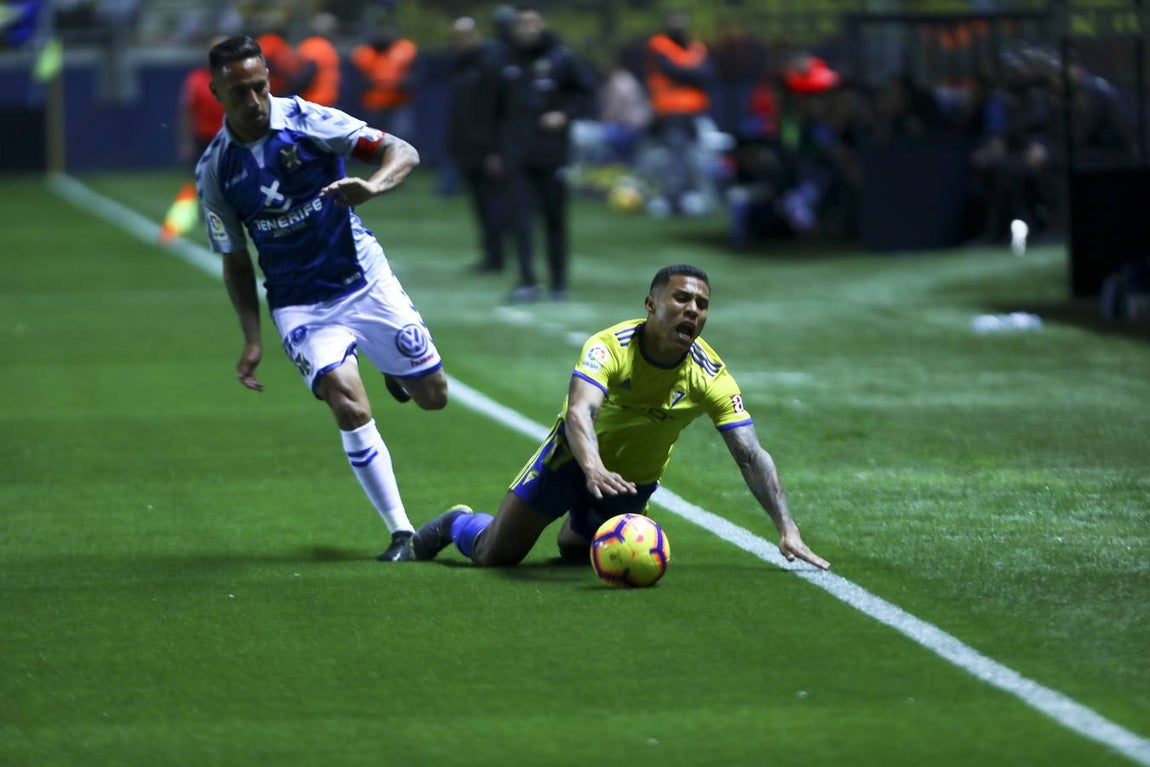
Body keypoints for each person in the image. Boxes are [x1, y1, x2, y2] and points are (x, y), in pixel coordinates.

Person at [195, 36, 449, 562]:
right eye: (239, 92)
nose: (255, 101)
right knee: (347, 403)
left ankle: (395, 371)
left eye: (261, 87)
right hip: (299, 304)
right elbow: (235, 259)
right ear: (218, 92)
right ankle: (402, 531)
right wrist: (251, 337)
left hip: (364, 279)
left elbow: (404, 151)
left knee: (433, 397)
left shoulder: (310, 120)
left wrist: (374, 187)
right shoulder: (216, 170)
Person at [411, 264, 830, 572]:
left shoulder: (711, 376)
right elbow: (579, 411)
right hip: (570, 461)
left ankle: (580, 522)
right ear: (651, 304)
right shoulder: (609, 347)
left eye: (701, 304)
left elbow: (751, 455)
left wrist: (787, 528)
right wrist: (591, 467)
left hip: (629, 483)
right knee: (495, 557)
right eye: (681, 298)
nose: (692, 310)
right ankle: (457, 523)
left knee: (578, 552)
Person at [493, 5, 598, 303]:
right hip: (517, 153)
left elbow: (588, 91)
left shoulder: (560, 58)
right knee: (520, 222)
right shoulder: (504, 60)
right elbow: (493, 108)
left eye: (531, 23)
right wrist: (494, 150)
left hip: (552, 154)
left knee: (555, 220)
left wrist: (564, 114)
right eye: (521, 24)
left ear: (540, 25)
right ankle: (527, 281)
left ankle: (559, 283)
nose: (526, 29)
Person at [446, 15, 506, 273]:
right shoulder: (464, 64)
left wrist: (496, 149)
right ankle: (491, 255)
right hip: (468, 148)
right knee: (481, 205)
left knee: (493, 204)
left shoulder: (489, 63)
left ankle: (497, 257)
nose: (457, 43)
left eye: (461, 37)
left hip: (486, 148)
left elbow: (497, 109)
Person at [644, 10, 716, 216]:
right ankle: (672, 200)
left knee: (694, 156)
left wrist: (687, 73)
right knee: (675, 157)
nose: (679, 26)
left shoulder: (696, 47)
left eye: (682, 22)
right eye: (674, 22)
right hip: (670, 110)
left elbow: (708, 74)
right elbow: (671, 71)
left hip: (695, 111)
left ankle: (692, 197)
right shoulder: (659, 43)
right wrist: (691, 73)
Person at [350, 24, 418, 139]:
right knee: (374, 138)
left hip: (398, 102)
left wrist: (399, 82)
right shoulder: (365, 53)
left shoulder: (404, 49)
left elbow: (414, 75)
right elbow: (360, 80)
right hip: (374, 103)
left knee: (401, 137)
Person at [295, 12, 341, 107]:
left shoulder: (312, 46)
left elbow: (306, 75)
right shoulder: (329, 48)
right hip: (327, 102)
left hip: (311, 102)